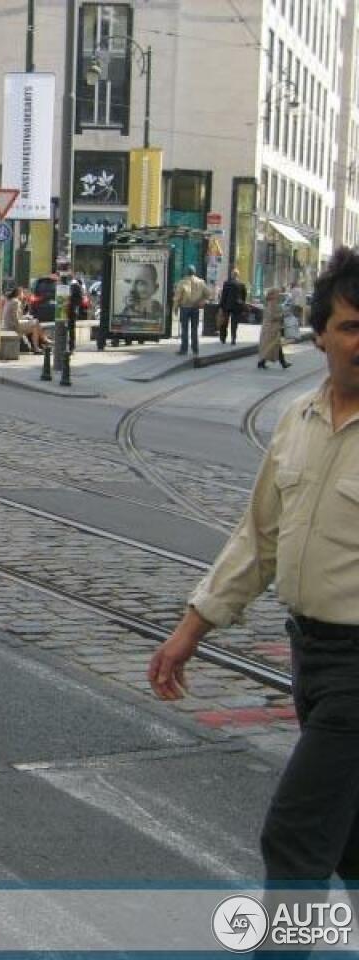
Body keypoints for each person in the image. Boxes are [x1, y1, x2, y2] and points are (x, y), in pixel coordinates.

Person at [148, 246, 359, 905]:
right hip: (312, 659)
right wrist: (191, 629)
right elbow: (259, 540)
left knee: (294, 839)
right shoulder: (298, 421)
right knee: (350, 843)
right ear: (319, 332)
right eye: (351, 326)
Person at [173, 265, 208, 356]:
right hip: (195, 308)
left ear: (186, 272)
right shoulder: (201, 282)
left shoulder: (182, 282)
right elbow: (208, 294)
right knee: (194, 329)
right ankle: (195, 349)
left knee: (184, 329)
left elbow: (178, 297)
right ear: (194, 272)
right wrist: (202, 302)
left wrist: (175, 308)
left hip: (185, 307)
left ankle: (184, 349)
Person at [256, 287, 292, 370]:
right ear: (272, 295)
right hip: (271, 329)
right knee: (270, 346)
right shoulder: (272, 303)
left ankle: (281, 362)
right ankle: (280, 362)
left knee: (274, 346)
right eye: (277, 293)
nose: (278, 295)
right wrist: (282, 315)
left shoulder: (271, 302)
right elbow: (272, 316)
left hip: (271, 328)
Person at [218, 268, 248, 344]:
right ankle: (233, 339)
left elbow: (223, 296)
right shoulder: (241, 285)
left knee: (224, 322)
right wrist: (243, 305)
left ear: (231, 275)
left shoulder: (227, 283)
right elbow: (244, 297)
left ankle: (223, 338)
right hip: (237, 306)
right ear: (238, 275)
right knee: (234, 323)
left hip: (227, 306)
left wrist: (221, 306)